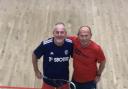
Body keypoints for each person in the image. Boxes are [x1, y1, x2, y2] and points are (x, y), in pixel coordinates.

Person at [32, 22, 73, 89]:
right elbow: (34, 55)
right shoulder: (45, 45)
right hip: (48, 82)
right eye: (57, 32)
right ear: (53, 33)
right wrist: (36, 71)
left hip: (64, 81)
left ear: (65, 34)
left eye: (62, 32)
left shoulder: (70, 44)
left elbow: (77, 56)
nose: (59, 35)